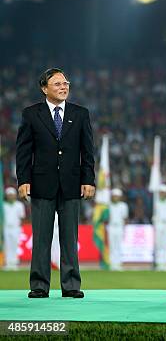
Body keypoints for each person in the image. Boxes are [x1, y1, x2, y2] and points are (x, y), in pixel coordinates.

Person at [16, 68, 96, 298]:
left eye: (66, 83)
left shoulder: (80, 113)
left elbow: (87, 151)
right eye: (58, 84)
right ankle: (39, 285)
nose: (64, 87)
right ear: (44, 88)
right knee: (41, 238)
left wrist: (88, 179)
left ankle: (71, 285)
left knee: (70, 238)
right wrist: (23, 180)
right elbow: (23, 152)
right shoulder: (31, 114)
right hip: (42, 184)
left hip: (72, 185)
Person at [3, 187, 26, 270]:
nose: (11, 196)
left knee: (15, 244)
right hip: (6, 227)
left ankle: (15, 262)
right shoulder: (3, 205)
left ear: (15, 195)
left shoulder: (19, 205)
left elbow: (22, 217)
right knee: (7, 245)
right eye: (9, 195)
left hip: (16, 227)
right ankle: (8, 263)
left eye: (12, 195)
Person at [108, 188, 129, 271]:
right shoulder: (109, 205)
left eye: (117, 196)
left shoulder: (123, 206)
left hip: (120, 227)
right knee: (112, 246)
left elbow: (125, 218)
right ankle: (112, 263)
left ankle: (118, 263)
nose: (115, 198)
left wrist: (124, 229)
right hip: (111, 226)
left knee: (119, 246)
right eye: (114, 196)